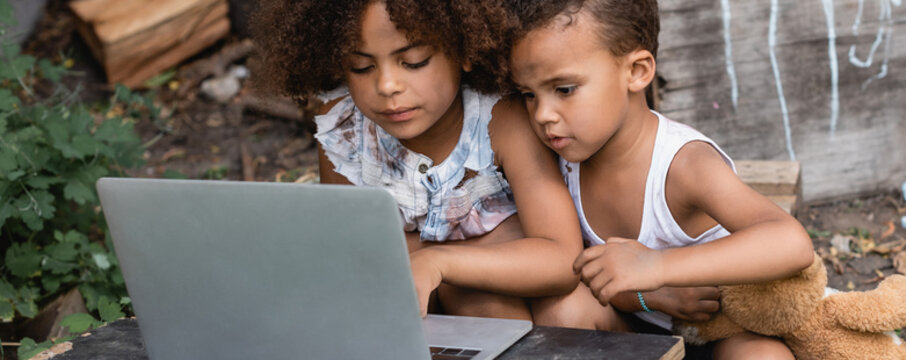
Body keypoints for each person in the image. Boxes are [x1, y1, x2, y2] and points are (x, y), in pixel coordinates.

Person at [505, 0, 815, 357]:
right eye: (528, 94)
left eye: (564, 89)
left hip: (724, 333)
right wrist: (647, 294)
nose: (543, 114)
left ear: (637, 71)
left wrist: (658, 267)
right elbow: (584, 275)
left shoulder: (683, 164)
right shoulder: (559, 164)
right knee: (561, 309)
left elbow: (790, 242)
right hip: (639, 333)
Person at [251, 0, 582, 321]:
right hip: (401, 313)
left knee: (479, 302)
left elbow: (561, 259)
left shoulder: (501, 121)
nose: (387, 86)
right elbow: (347, 257)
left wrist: (438, 261)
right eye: (361, 67)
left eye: (414, 61)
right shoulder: (345, 130)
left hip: (497, 299)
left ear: (463, 51)